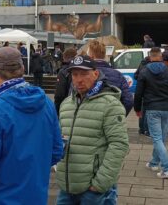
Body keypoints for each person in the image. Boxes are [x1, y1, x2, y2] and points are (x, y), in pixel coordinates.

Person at [0, 47, 63, 204]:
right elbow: (57, 150)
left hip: (2, 199)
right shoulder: (46, 103)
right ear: (23, 69)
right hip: (36, 196)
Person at [56, 55, 128, 203]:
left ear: (95, 74)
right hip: (66, 186)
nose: (78, 79)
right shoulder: (66, 104)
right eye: (75, 74)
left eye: (84, 74)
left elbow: (119, 144)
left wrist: (100, 183)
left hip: (92, 189)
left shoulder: (110, 104)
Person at [134, 47, 168, 179]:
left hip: (152, 108)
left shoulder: (144, 72)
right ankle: (154, 162)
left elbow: (138, 93)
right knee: (161, 138)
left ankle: (167, 168)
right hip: (167, 109)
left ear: (149, 57)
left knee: (157, 138)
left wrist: (137, 109)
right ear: (160, 56)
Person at [88, 40, 134, 116]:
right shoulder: (118, 75)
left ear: (91, 55)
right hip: (112, 119)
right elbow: (128, 101)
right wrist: (119, 116)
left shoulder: (83, 74)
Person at [54, 47, 77, 116]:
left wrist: (56, 109)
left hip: (65, 106)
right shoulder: (77, 69)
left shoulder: (63, 71)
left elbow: (59, 94)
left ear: (64, 57)